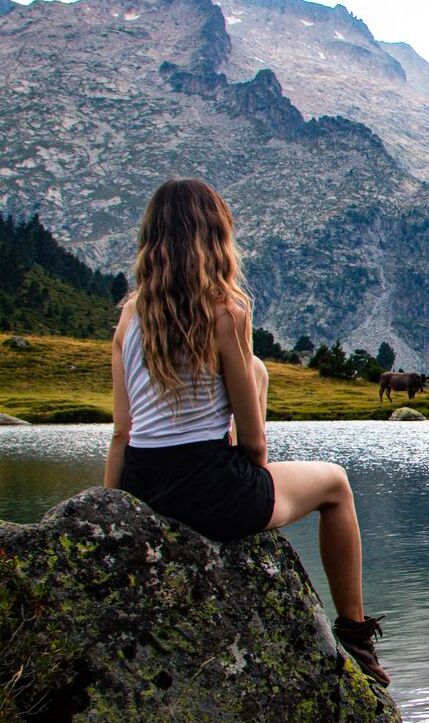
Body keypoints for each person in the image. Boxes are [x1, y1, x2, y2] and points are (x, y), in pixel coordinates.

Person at [102, 178, 389, 686]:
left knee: (258, 368)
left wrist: (115, 511)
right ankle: (355, 636)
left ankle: (354, 636)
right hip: (212, 492)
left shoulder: (129, 316)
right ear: (215, 238)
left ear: (152, 240)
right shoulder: (226, 310)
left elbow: (122, 432)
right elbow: (255, 442)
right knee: (336, 485)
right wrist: (250, 474)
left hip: (143, 488)